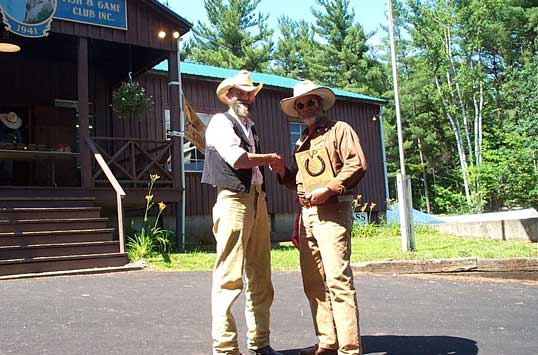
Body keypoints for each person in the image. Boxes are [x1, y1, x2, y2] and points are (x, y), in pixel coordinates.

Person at [271, 80, 367, 355]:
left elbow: (356, 163)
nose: (304, 108)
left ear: (320, 103)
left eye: (309, 102)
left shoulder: (340, 130)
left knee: (337, 278)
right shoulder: (302, 140)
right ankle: (327, 341)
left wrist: (330, 189)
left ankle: (349, 348)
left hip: (332, 210)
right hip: (306, 213)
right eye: (299, 105)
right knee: (313, 281)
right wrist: (281, 171)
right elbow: (297, 180)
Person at [201, 69, 284, 355]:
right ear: (228, 96)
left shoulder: (251, 126)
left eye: (250, 93)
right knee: (229, 275)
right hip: (233, 200)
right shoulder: (220, 123)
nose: (246, 96)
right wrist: (270, 159)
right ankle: (225, 348)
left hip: (257, 200)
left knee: (261, 275)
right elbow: (238, 160)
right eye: (240, 92)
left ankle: (260, 342)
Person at [0, 112, 23, 185]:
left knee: (7, 171)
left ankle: (6, 185)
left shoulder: (16, 130)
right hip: (1, 151)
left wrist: (14, 144)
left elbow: (20, 142)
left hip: (9, 152)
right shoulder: (1, 129)